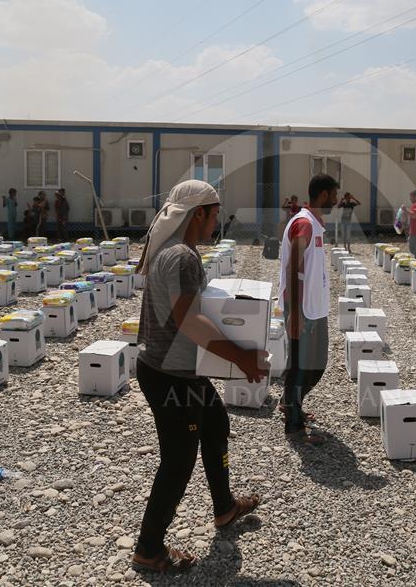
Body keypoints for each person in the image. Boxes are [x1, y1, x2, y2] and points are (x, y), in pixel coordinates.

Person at [130, 179, 270, 573]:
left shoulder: (173, 251)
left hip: (174, 371)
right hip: (171, 375)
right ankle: (148, 549)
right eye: (215, 213)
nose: (217, 221)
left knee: (216, 424)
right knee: (177, 463)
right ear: (198, 214)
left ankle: (224, 507)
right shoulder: (182, 257)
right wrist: (242, 357)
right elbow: (189, 321)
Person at [279, 174, 340, 444]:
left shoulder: (313, 223)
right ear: (324, 194)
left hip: (313, 308)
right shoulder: (304, 223)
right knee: (302, 367)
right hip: (302, 309)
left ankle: (291, 404)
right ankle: (293, 427)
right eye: (334, 195)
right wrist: (294, 312)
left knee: (315, 365)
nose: (337, 200)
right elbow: (293, 267)